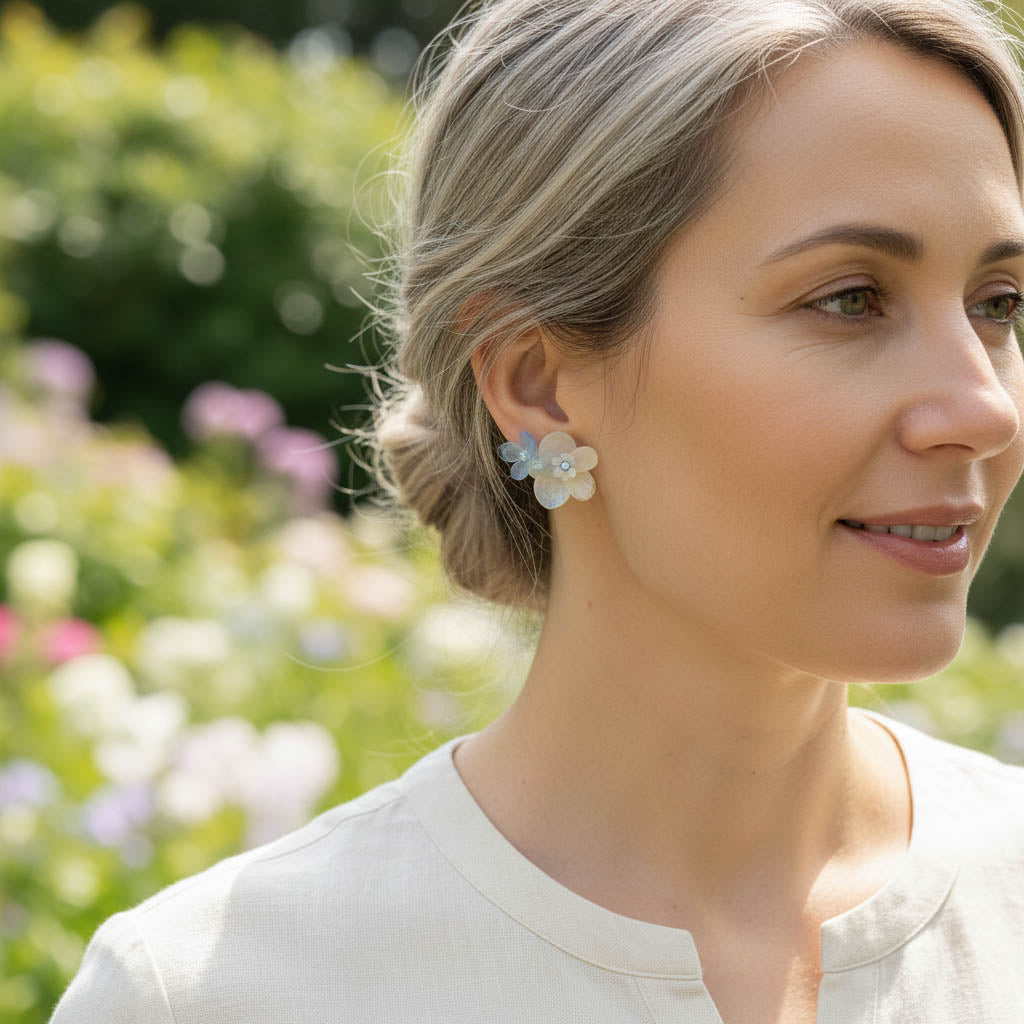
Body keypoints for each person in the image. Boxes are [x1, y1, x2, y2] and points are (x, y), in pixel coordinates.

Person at [50, 0, 1024, 1021]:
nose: (982, 408)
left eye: (997, 304)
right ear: (538, 380)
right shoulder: (215, 992)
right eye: (849, 299)